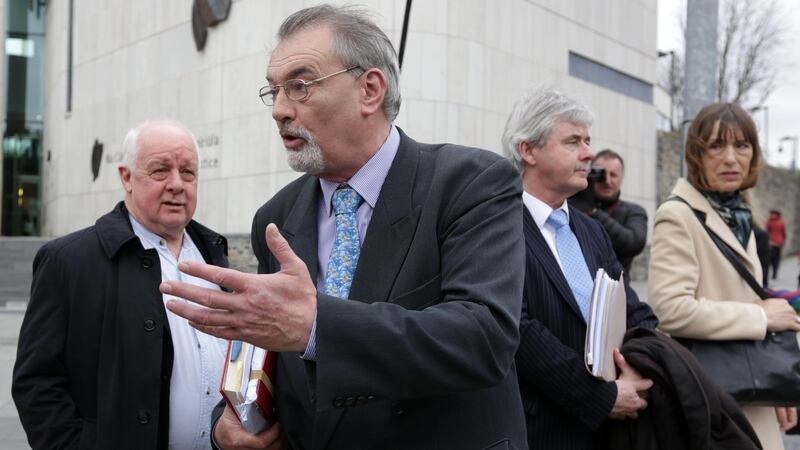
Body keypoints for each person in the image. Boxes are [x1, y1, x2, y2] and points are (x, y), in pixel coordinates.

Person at [161, 5, 527, 450]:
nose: (278, 110)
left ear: (369, 90)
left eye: (299, 85)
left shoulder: (471, 183)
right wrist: (229, 424)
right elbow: (264, 351)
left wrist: (317, 327)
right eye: (273, 91)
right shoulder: (274, 217)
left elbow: (483, 340)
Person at [12, 119, 233, 449]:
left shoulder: (213, 255)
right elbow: (37, 385)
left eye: (188, 172)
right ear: (126, 177)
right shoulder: (68, 262)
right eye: (160, 170)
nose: (177, 184)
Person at [501, 87, 659, 449]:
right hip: (541, 431)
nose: (589, 153)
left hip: (610, 432)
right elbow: (519, 331)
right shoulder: (499, 224)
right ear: (528, 150)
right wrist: (600, 398)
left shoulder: (591, 230)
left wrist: (642, 367)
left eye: (588, 140)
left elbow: (632, 308)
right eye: (573, 141)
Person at [648, 102, 800, 449]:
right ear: (696, 155)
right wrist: (760, 316)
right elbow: (670, 309)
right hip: (712, 398)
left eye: (742, 145)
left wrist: (777, 386)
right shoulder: (678, 215)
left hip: (748, 388)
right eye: (717, 146)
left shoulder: (740, 214)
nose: (731, 158)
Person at [588, 149, 648, 274]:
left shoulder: (634, 211)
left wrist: (593, 212)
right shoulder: (573, 206)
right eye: (601, 174)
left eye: (613, 175)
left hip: (617, 289)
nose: (607, 181)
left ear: (622, 179)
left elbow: (633, 244)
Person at [766, 209, 787, 280]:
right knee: (776, 259)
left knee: (770, 259)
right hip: (779, 243)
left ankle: (770, 273)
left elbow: (766, 232)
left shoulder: (769, 222)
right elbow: (784, 233)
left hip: (771, 243)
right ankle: (775, 273)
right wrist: (782, 241)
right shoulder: (781, 222)